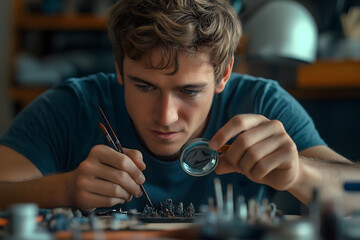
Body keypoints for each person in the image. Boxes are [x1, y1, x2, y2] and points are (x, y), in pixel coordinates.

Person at [0, 0, 358, 214]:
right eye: (145, 86)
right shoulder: (72, 107)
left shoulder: (262, 103)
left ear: (224, 74)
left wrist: (299, 174)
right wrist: (62, 191)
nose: (165, 116)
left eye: (189, 91)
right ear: (119, 66)